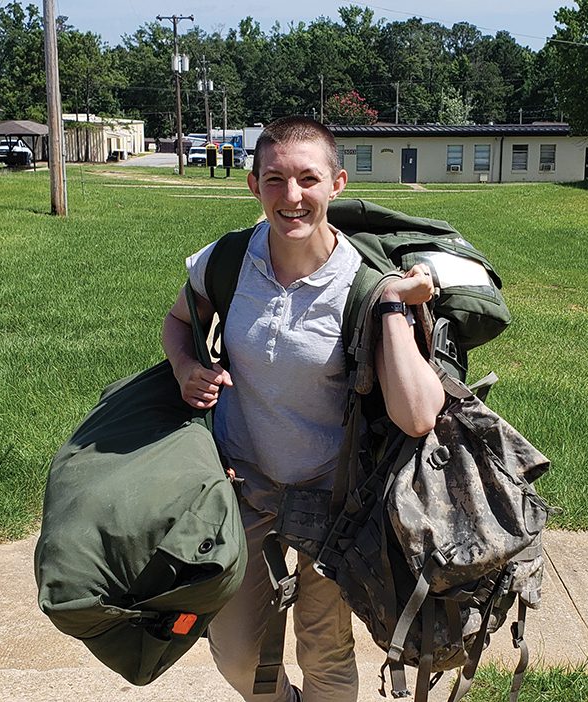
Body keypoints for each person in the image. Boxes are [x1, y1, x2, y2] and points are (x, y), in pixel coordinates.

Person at [160, 116, 444, 702]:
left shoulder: (365, 283)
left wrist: (391, 302)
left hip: (335, 497)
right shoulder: (228, 262)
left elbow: (419, 415)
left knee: (325, 648)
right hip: (241, 487)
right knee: (238, 654)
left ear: (336, 183)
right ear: (253, 185)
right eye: (275, 179)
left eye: (307, 179)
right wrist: (188, 368)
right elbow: (179, 321)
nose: (291, 197)